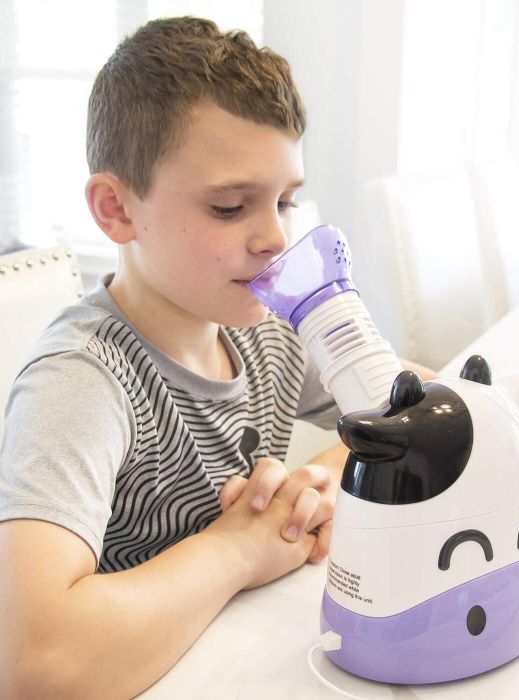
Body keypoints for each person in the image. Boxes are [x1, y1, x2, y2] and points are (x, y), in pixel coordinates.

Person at [0, 16, 436, 698]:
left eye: (285, 201)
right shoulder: (81, 381)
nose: (275, 238)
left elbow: (427, 409)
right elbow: (34, 663)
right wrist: (237, 549)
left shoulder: (269, 329)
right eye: (230, 207)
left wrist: (322, 481)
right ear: (116, 209)